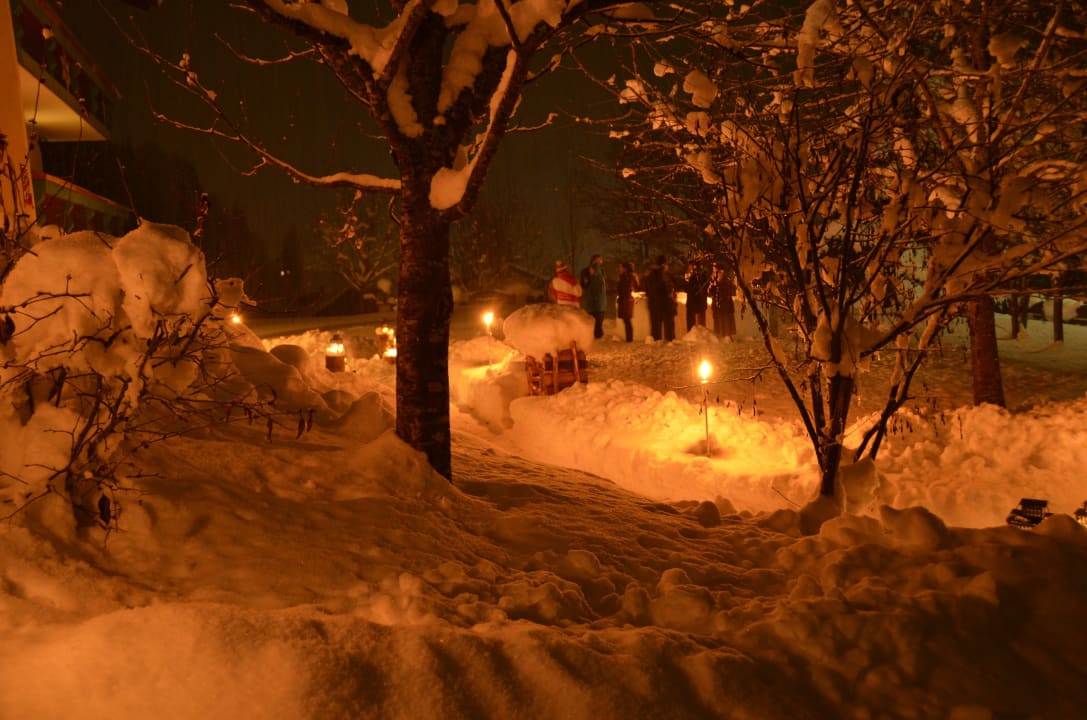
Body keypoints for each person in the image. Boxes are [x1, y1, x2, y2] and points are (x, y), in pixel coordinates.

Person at [643, 255, 676, 342]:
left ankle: (656, 342)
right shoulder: (664, 275)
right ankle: (669, 341)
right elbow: (668, 288)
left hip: (653, 304)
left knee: (655, 327)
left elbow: (647, 289)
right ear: (664, 264)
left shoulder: (650, 275)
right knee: (668, 326)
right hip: (664, 304)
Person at [583, 254, 607, 339]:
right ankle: (598, 336)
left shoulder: (598, 272)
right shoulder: (599, 272)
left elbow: (586, 286)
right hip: (598, 303)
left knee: (594, 322)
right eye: (600, 259)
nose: (602, 261)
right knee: (598, 322)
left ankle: (596, 336)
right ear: (595, 260)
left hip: (593, 303)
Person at [710, 263, 737, 339]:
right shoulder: (713, 278)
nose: (714, 269)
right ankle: (719, 334)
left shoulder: (725, 279)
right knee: (718, 319)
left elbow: (728, 290)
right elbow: (711, 292)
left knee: (725, 319)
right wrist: (712, 287)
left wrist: (718, 286)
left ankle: (727, 335)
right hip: (716, 303)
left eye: (715, 268)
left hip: (725, 303)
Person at [616, 261, 639, 342]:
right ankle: (629, 338)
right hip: (626, 300)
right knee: (626, 320)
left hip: (626, 300)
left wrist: (622, 295)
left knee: (627, 319)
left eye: (621, 267)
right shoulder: (629, 276)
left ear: (625, 269)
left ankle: (629, 338)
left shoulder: (627, 277)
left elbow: (625, 288)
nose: (620, 269)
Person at [683, 260, 709, 332]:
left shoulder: (701, 276)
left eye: (692, 266)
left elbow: (703, 287)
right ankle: (691, 334)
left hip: (699, 302)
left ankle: (701, 334)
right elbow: (686, 288)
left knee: (700, 321)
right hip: (692, 303)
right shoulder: (689, 276)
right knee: (691, 321)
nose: (690, 268)